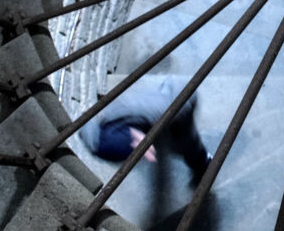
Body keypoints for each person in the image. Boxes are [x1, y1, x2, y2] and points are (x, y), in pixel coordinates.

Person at [79, 74, 213, 184]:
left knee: (186, 144)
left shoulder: (169, 112)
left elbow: (184, 109)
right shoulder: (105, 127)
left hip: (180, 103)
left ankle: (203, 163)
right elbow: (88, 132)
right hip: (159, 102)